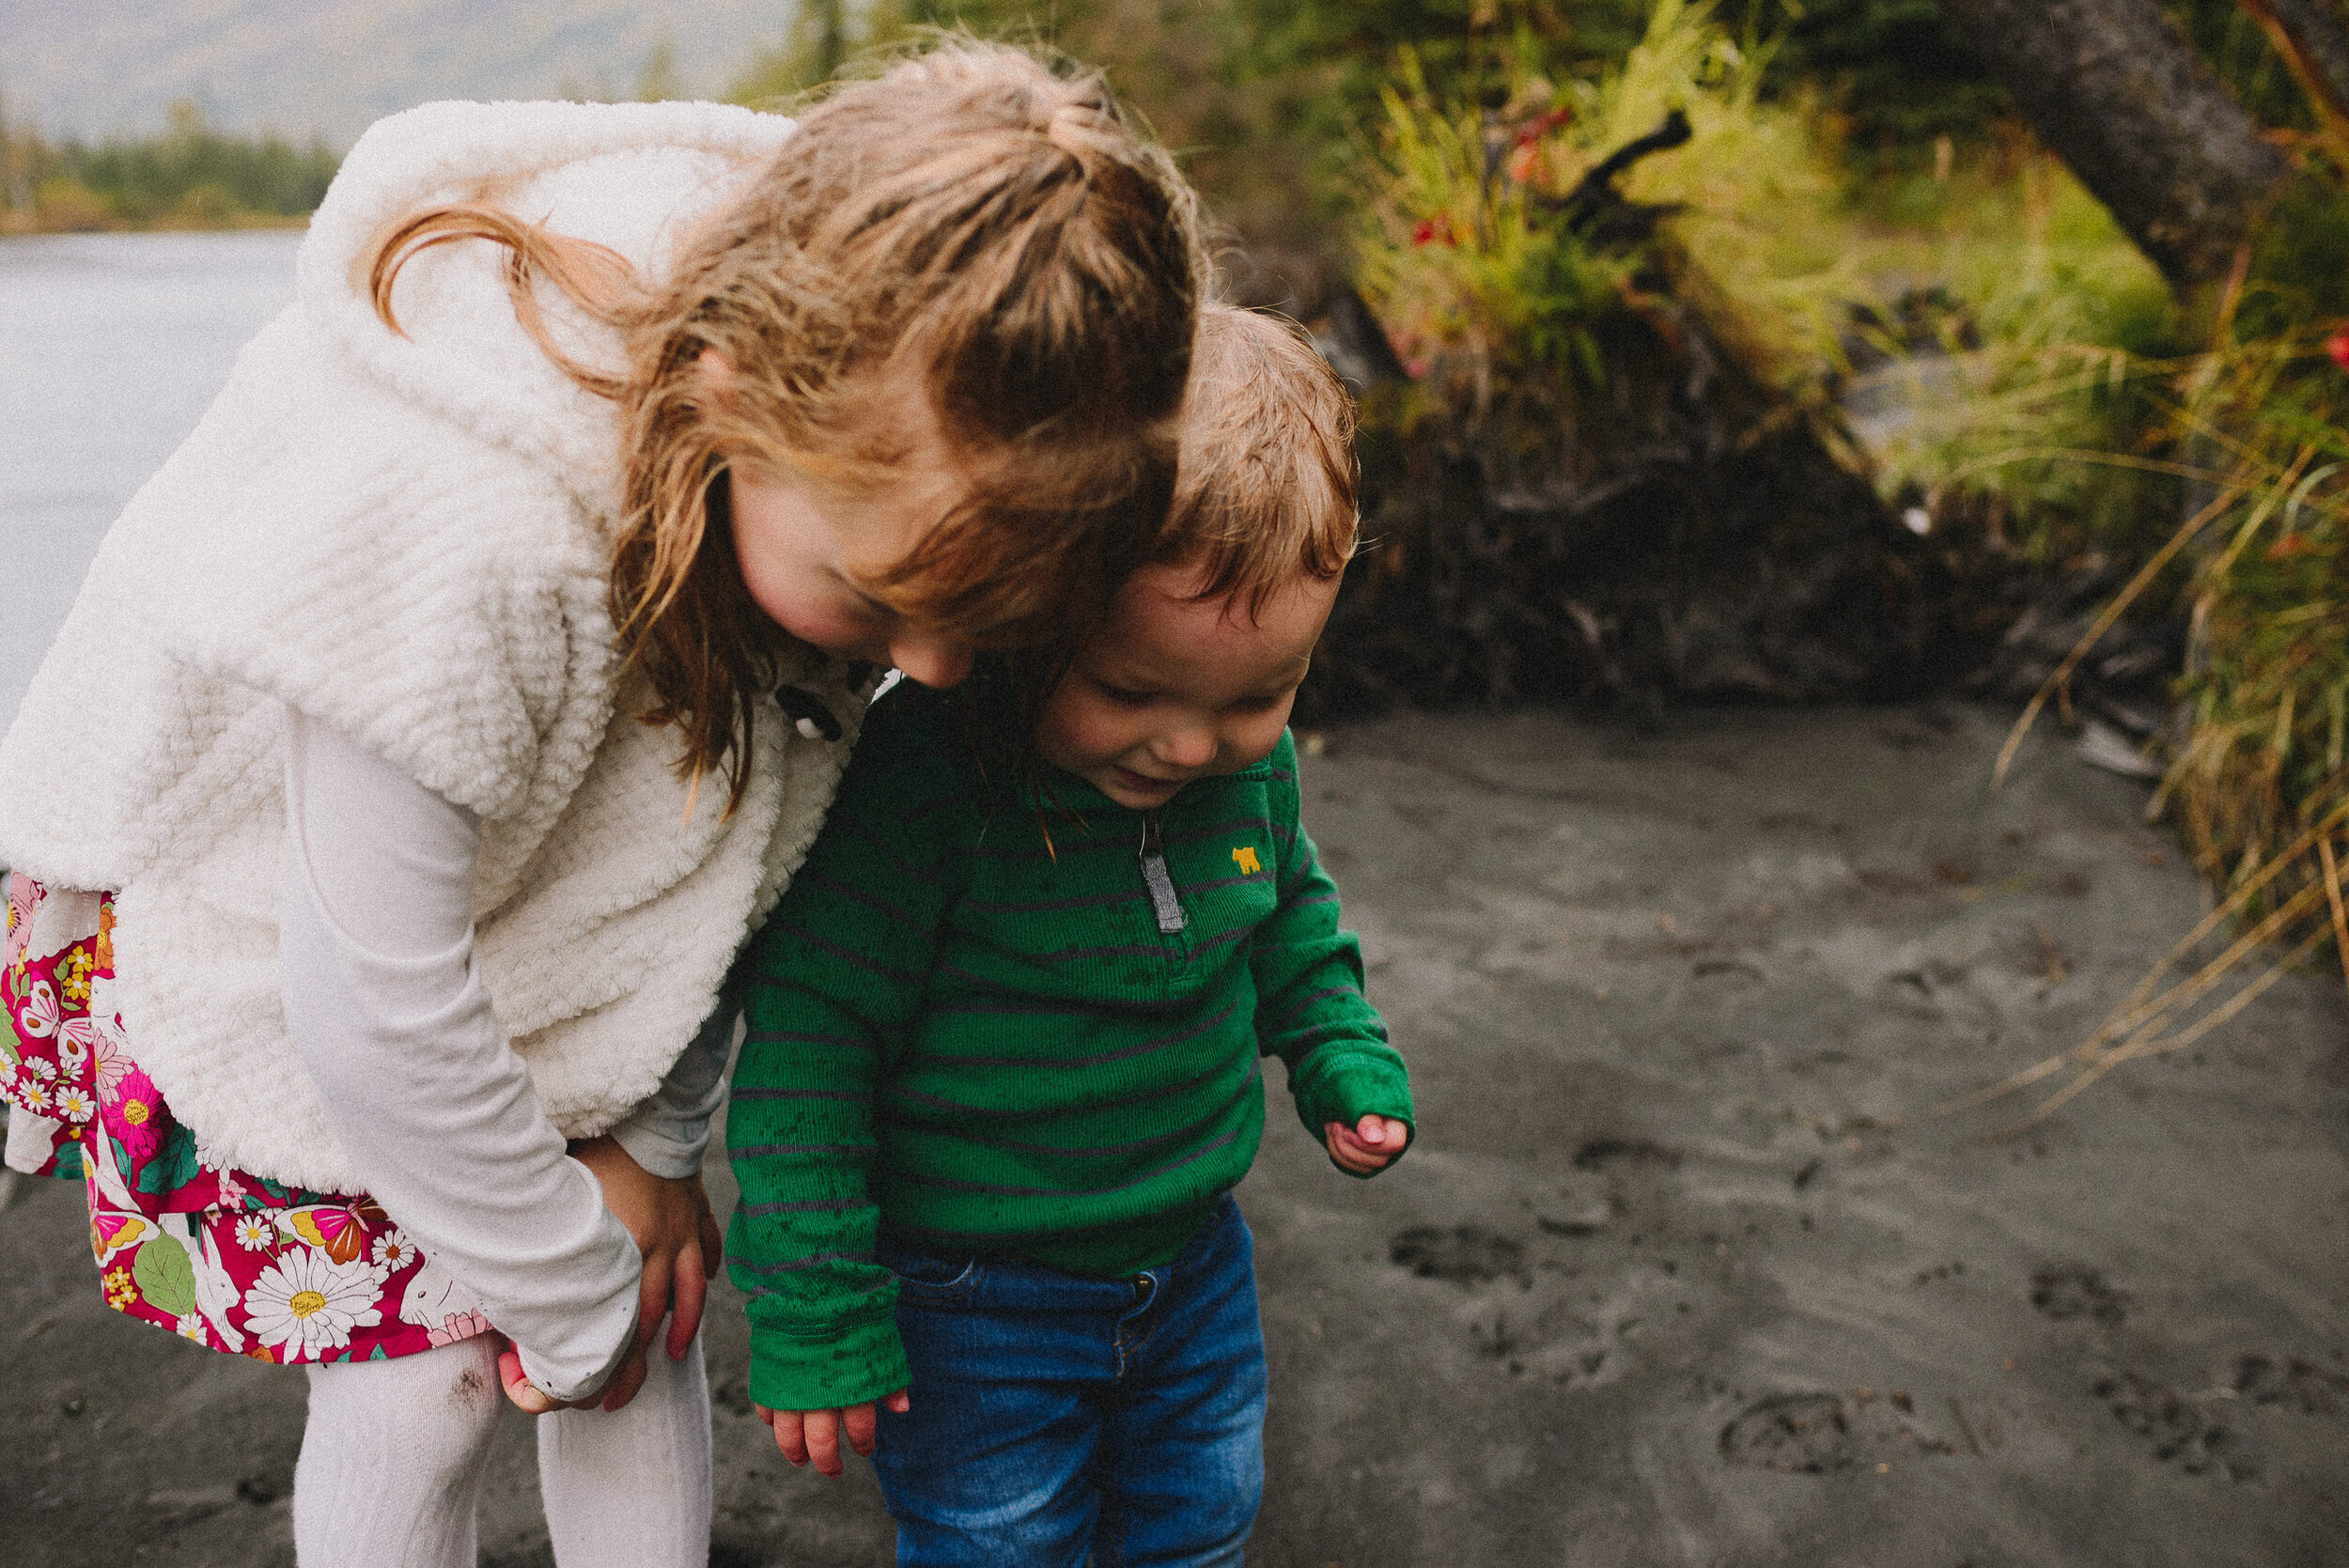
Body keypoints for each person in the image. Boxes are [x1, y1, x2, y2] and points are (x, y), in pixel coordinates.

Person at [0, 44, 1201, 1568]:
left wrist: (652, 1140)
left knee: (654, 1315)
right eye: (887, 601)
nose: (936, 665)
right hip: (281, 933)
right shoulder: (466, 538)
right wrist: (565, 1300)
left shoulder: (869, 480)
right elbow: (370, 1000)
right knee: (428, 1378)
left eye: (992, 612)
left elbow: (725, 868)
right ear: (734, 395)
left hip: (529, 901)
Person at [725, 303, 1416, 1565]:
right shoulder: (928, 778)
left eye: (1260, 696)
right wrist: (817, 1306)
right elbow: (810, 1048)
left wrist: (1337, 1049)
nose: (1192, 745)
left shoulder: (1239, 772)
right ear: (1032, 599)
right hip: (972, 1296)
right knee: (1000, 1542)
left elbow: (1287, 915)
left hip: (1196, 1260)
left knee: (1199, 1520)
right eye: (1131, 691)